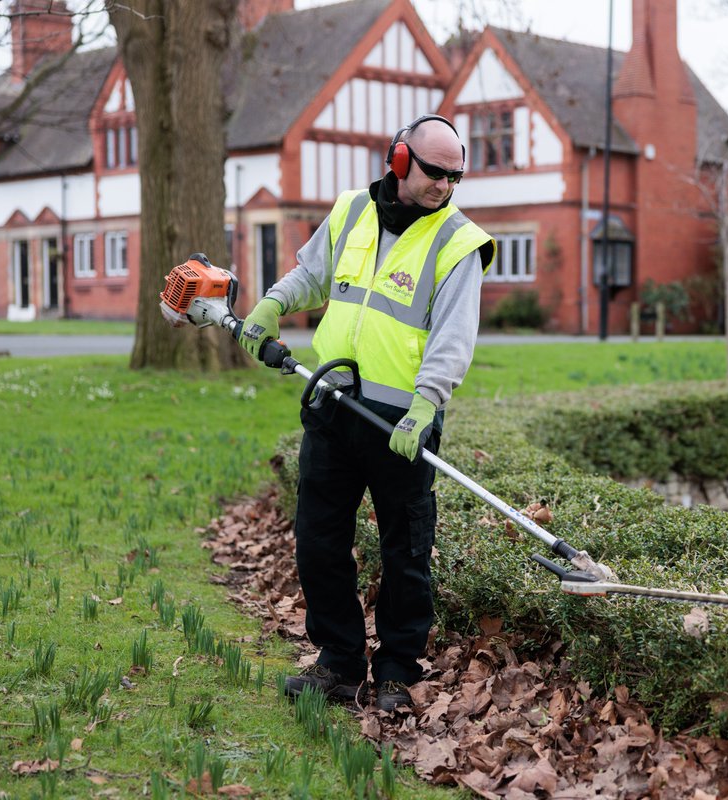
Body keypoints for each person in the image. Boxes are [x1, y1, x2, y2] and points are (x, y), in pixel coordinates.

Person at [237, 114, 494, 712]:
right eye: (436, 173)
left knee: (405, 551)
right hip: (332, 405)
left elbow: (454, 337)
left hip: (401, 422)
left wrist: (425, 405)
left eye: (456, 177)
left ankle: (399, 672)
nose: (446, 187)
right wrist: (274, 302)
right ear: (399, 160)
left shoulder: (458, 241)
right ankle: (340, 664)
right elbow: (314, 274)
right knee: (318, 541)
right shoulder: (352, 211)